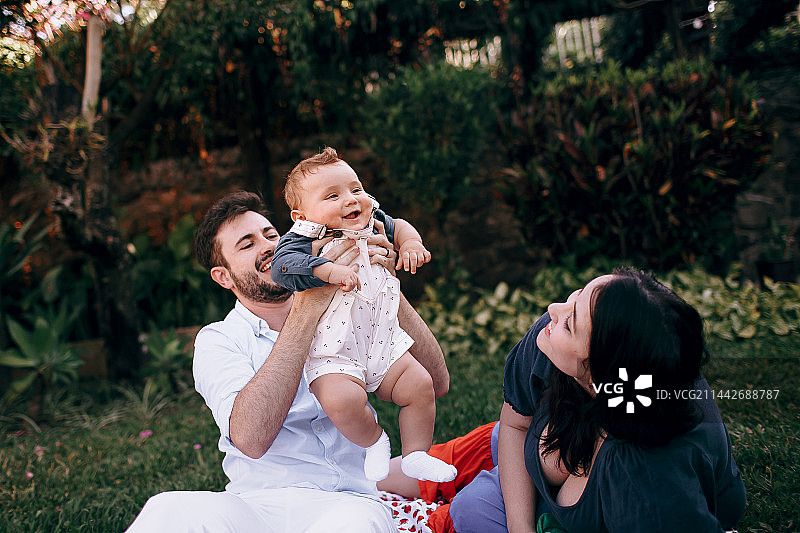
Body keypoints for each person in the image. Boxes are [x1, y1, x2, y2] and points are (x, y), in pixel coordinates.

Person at [124, 190, 450, 533]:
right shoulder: (219, 339)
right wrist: (306, 309)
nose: (266, 246)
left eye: (270, 235)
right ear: (224, 277)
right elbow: (250, 439)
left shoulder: (346, 303)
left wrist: (384, 284)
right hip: (256, 506)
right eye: (246, 244)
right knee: (167, 509)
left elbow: (436, 382)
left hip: (349, 503)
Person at [379, 268, 746, 533]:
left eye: (571, 322)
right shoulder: (552, 340)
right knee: (383, 476)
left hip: (616, 492)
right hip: (529, 439)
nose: (554, 310)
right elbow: (516, 422)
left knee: (470, 511)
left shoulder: (644, 481)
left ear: (600, 375)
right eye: (575, 299)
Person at [269, 147, 457, 484]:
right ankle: (374, 442)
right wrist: (326, 270)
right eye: (332, 195)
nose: (350, 200)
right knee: (341, 402)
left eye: (355, 189)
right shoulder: (302, 239)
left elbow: (400, 226)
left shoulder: (373, 220)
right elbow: (281, 268)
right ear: (301, 216)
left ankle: (415, 454)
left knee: (420, 385)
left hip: (381, 337)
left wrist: (410, 243)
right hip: (333, 350)